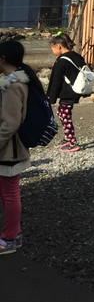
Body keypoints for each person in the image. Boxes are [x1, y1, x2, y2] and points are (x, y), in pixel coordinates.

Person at [0, 39, 40, 254]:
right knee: (8, 192)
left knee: (9, 193)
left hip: (9, 147)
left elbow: (10, 123)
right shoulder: (17, 79)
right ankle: (12, 233)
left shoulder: (11, 85)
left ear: (3, 59)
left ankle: (10, 237)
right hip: (12, 146)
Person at [47, 31, 85, 153]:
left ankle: (72, 141)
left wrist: (51, 99)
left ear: (58, 46)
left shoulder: (61, 61)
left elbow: (55, 82)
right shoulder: (77, 56)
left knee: (64, 115)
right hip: (76, 90)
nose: (52, 51)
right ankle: (67, 138)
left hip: (68, 92)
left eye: (52, 48)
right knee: (63, 113)